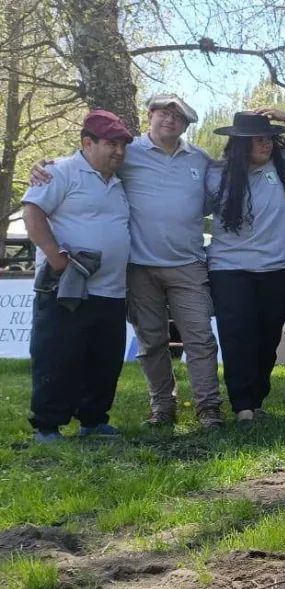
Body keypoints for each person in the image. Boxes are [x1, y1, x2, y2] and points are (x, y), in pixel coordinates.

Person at [30, 95, 223, 430]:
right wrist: (44, 165)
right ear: (150, 115)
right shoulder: (127, 153)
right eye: (164, 113)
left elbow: (228, 181)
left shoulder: (199, 159)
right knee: (151, 342)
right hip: (137, 267)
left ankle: (209, 409)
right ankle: (162, 407)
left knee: (200, 339)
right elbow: (82, 162)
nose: (170, 120)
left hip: (185, 263)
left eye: (179, 117)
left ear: (186, 125)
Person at [206, 109, 285, 425]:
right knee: (237, 336)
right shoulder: (216, 175)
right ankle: (242, 406)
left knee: (268, 337)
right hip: (229, 268)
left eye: (270, 138)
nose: (267, 144)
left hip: (277, 268)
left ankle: (256, 399)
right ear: (240, 144)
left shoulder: (283, 166)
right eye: (258, 139)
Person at [21, 110, 134, 442]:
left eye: (123, 145)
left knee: (104, 358)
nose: (119, 152)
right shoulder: (60, 171)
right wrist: (56, 258)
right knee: (57, 355)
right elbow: (32, 211)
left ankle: (93, 420)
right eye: (111, 144)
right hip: (66, 286)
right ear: (87, 142)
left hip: (110, 290)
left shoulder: (118, 181)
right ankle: (47, 425)